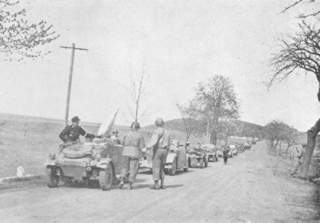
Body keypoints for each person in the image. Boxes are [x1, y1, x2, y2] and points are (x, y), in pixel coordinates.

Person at [119, 121, 145, 190]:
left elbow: (122, 143)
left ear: (131, 127)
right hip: (134, 152)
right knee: (133, 169)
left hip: (125, 152)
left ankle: (122, 181)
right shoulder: (140, 135)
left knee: (124, 167)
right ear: (138, 128)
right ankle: (130, 184)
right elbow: (142, 146)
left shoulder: (126, 134)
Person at [147, 118, 171, 190]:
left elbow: (154, 141)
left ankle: (156, 184)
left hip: (158, 150)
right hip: (165, 151)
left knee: (156, 167)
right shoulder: (167, 132)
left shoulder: (157, 131)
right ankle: (162, 184)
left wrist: (148, 147)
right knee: (162, 168)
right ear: (163, 124)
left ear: (156, 124)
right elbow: (169, 143)